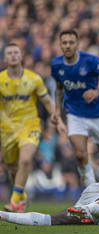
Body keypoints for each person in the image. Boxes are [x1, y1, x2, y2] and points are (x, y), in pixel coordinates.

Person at [0, 43, 67, 212]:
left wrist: (58, 122)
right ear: (5, 58)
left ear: (21, 56)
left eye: (16, 52)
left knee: (24, 160)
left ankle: (14, 201)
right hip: (7, 129)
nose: (13, 55)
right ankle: (22, 196)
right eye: (10, 53)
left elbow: (47, 102)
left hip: (29, 125)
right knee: (13, 167)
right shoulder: (1, 80)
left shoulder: (33, 79)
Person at [51, 30, 99, 187]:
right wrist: (56, 110)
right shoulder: (56, 64)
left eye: (71, 42)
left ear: (77, 44)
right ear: (60, 45)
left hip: (96, 115)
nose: (68, 46)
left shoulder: (91, 61)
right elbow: (59, 88)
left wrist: (98, 91)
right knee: (80, 154)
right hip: (74, 114)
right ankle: (91, 193)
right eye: (64, 43)